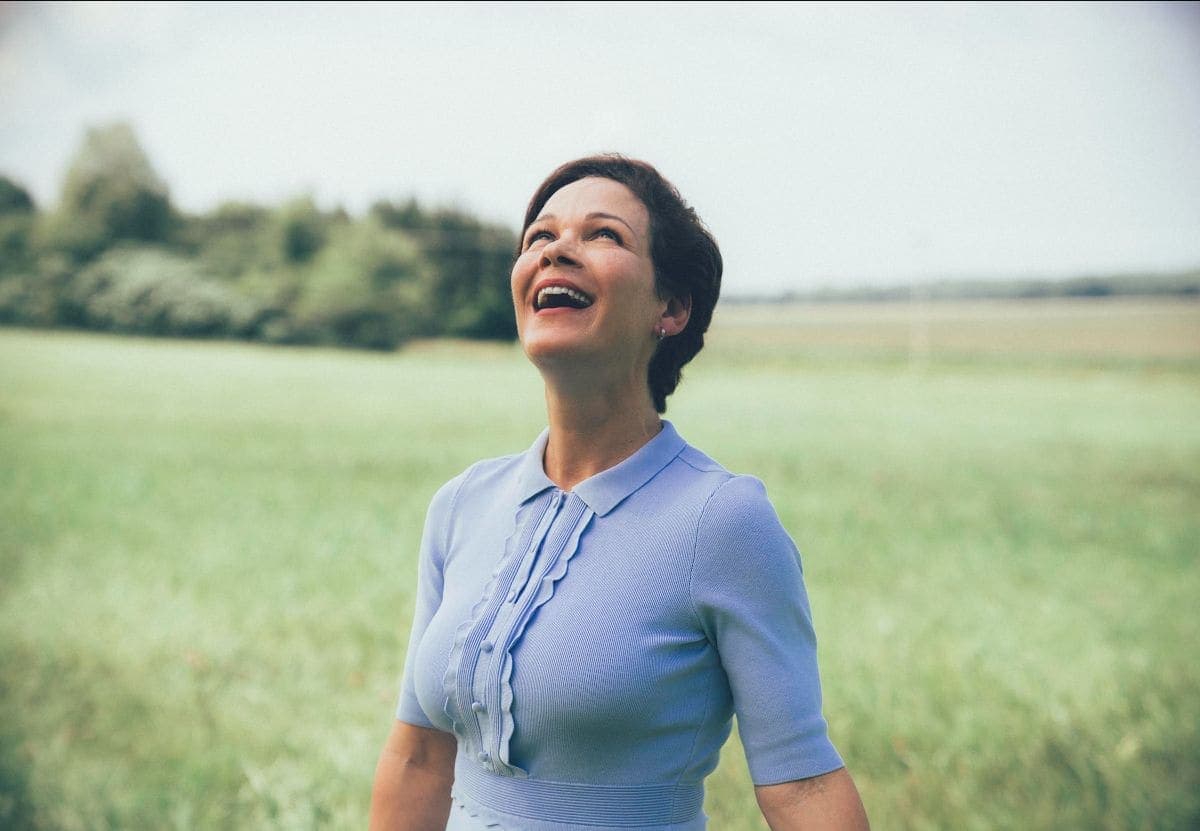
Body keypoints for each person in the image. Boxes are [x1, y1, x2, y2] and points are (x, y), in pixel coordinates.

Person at [370, 155, 869, 830]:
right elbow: (420, 758)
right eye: (539, 238)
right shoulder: (462, 504)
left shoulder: (722, 520)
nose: (557, 252)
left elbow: (803, 788)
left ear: (671, 308)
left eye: (603, 234)